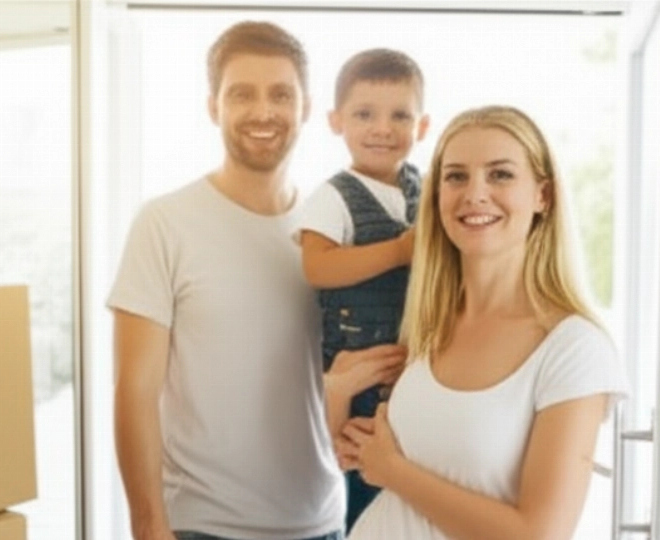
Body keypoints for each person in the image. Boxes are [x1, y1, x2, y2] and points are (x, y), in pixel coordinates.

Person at [108, 21, 357, 540]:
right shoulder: (164, 223)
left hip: (322, 524)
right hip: (201, 527)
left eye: (281, 95)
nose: (263, 112)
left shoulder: (331, 234)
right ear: (213, 106)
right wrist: (148, 527)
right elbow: (134, 390)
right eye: (242, 94)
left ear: (305, 108)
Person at [333, 105, 630, 540]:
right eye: (456, 176)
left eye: (500, 174)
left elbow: (538, 534)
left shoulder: (574, 349)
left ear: (542, 196)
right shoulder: (431, 327)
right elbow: (413, 455)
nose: (474, 193)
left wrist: (394, 471)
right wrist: (351, 415)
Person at [295, 47, 429, 531]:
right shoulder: (334, 196)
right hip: (355, 367)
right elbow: (318, 267)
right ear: (336, 121)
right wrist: (398, 251)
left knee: (408, 490)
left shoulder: (427, 189)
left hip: (412, 366)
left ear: (423, 126)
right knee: (358, 478)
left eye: (400, 116)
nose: (382, 128)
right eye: (364, 114)